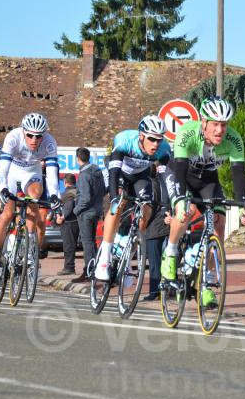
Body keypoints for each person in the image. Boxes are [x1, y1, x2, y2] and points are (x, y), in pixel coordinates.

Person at [161, 96, 245, 308]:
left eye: (224, 124)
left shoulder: (234, 140)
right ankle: (171, 252)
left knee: (219, 223)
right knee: (186, 212)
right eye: (215, 124)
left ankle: (207, 283)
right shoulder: (187, 133)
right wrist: (182, 201)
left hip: (208, 181)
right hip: (181, 175)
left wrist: (243, 207)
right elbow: (181, 169)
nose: (220, 130)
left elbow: (238, 175)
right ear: (204, 122)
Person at [0, 113, 61, 284]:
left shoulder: (49, 142)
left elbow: (52, 171)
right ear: (23, 131)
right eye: (30, 135)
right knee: (6, 215)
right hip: (11, 174)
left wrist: (55, 194)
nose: (34, 139)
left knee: (35, 197)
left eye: (38, 136)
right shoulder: (13, 137)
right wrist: (2, 188)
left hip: (32, 174)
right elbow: (2, 169)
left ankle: (29, 245)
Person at [94, 114, 170, 281]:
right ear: (141, 136)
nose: (156, 144)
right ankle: (104, 259)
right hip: (120, 173)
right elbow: (114, 172)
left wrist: (167, 206)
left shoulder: (164, 150)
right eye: (152, 139)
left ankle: (127, 257)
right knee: (119, 203)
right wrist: (114, 198)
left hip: (140, 176)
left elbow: (165, 180)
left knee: (146, 212)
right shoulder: (124, 141)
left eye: (159, 139)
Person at [74, 147, 105, 277]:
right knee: (92, 242)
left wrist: (76, 210)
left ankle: (89, 270)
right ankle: (95, 268)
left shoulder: (84, 174)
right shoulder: (97, 172)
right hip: (96, 210)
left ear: (78, 159)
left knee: (87, 243)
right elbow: (104, 190)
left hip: (86, 213)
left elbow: (85, 198)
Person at [142, 170, 171, 301]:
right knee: (166, 260)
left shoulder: (151, 184)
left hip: (154, 226)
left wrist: (143, 222)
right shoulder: (164, 182)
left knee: (155, 262)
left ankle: (155, 291)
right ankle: (166, 289)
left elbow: (150, 206)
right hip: (165, 223)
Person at [57, 173, 78, 276]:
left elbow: (68, 206)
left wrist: (62, 217)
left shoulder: (68, 193)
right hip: (77, 221)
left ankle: (69, 268)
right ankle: (70, 267)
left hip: (69, 222)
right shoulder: (77, 191)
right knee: (72, 245)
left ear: (65, 182)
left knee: (68, 246)